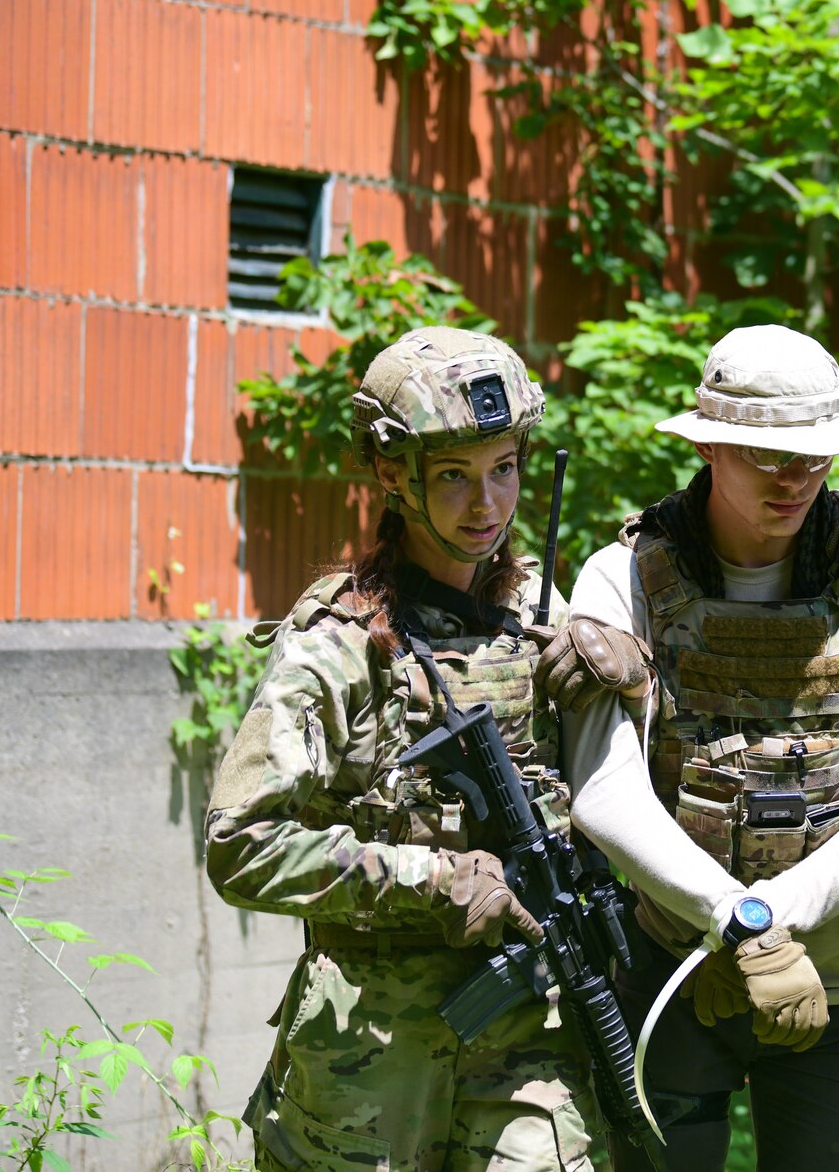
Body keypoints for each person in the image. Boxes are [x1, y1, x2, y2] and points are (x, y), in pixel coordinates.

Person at [539, 324, 839, 1171]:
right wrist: (733, 922)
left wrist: (766, 921)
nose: (795, 477)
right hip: (670, 970)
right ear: (712, 441)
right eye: (767, 453)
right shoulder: (623, 580)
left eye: (815, 453)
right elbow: (604, 791)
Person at [205, 326, 601, 1171]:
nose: (486, 504)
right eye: (454, 475)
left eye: (505, 468)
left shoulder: (535, 608)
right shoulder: (342, 642)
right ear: (394, 475)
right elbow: (238, 843)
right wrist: (428, 879)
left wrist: (634, 680)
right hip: (370, 1050)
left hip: (527, 1030)